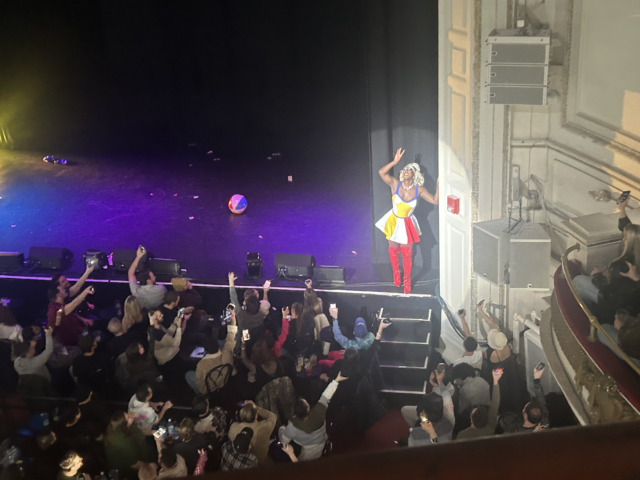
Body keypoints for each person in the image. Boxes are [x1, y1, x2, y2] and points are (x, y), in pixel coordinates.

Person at [376, 147, 439, 293]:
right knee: (393, 250)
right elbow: (381, 172)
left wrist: (438, 185)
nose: (405, 170)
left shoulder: (419, 189)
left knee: (407, 254)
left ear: (414, 173)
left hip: (407, 223)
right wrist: (395, 161)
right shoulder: (395, 184)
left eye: (409, 169)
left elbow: (435, 201)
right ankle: (396, 274)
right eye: (404, 168)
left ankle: (407, 280)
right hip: (394, 221)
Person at [279, 373, 346, 460]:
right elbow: (326, 396)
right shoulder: (319, 410)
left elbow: (284, 441)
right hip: (322, 441)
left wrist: (282, 429)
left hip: (307, 449)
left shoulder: (293, 424)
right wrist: (336, 381)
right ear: (308, 408)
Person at [477, 302, 520, 413]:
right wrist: (482, 311)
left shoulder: (492, 353)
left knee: (500, 393)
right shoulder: (503, 343)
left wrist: (480, 313)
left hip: (498, 374)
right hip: (511, 370)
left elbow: (482, 357)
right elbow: (491, 323)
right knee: (513, 391)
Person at [186, 308, 237, 394]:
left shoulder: (201, 364)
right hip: (224, 381)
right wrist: (233, 316)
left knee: (188, 375)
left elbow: (200, 384)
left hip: (210, 388)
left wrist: (203, 392)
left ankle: (202, 398)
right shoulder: (226, 352)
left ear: (205, 349)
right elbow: (231, 334)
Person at [402, 368, 455, 446]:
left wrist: (430, 432)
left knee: (404, 410)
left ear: (422, 417)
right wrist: (440, 382)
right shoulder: (450, 422)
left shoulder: (416, 434)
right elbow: (446, 397)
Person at [104, 411, 156, 479]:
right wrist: (150, 466)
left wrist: (157, 432)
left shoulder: (129, 425)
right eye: (128, 417)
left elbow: (142, 430)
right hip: (132, 468)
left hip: (146, 452)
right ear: (123, 425)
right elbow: (133, 463)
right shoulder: (123, 443)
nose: (130, 416)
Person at [498, 366, 548, 434]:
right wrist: (536, 379)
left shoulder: (514, 431)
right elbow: (541, 399)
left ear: (525, 415)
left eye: (524, 408)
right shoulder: (544, 422)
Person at [457, 370, 502, 440]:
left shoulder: (462, 435)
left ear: (471, 419)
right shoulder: (491, 425)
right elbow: (495, 402)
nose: (475, 408)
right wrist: (496, 381)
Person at [128, 246, 167, 310]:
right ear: (148, 280)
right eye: (153, 276)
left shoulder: (136, 292)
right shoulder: (161, 289)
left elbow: (130, 273)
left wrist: (138, 257)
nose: (155, 277)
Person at [303, 285, 330, 355]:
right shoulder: (321, 317)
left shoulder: (304, 315)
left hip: (312, 350)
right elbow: (327, 339)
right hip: (315, 350)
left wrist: (309, 289)